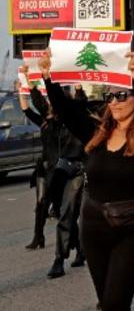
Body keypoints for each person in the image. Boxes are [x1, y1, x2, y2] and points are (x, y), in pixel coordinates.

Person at [38, 50, 134, 310]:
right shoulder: (97, 135)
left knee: (114, 304)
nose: (114, 102)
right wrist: (49, 76)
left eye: (121, 95)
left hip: (133, 229)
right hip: (94, 229)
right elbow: (65, 110)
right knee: (107, 303)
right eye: (109, 97)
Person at [18, 70, 87, 279]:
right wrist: (27, 82)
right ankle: (81, 249)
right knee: (62, 211)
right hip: (55, 172)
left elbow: (81, 103)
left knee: (66, 213)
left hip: (75, 169)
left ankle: (59, 259)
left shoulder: (77, 119)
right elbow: (37, 104)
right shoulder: (50, 122)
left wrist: (78, 87)